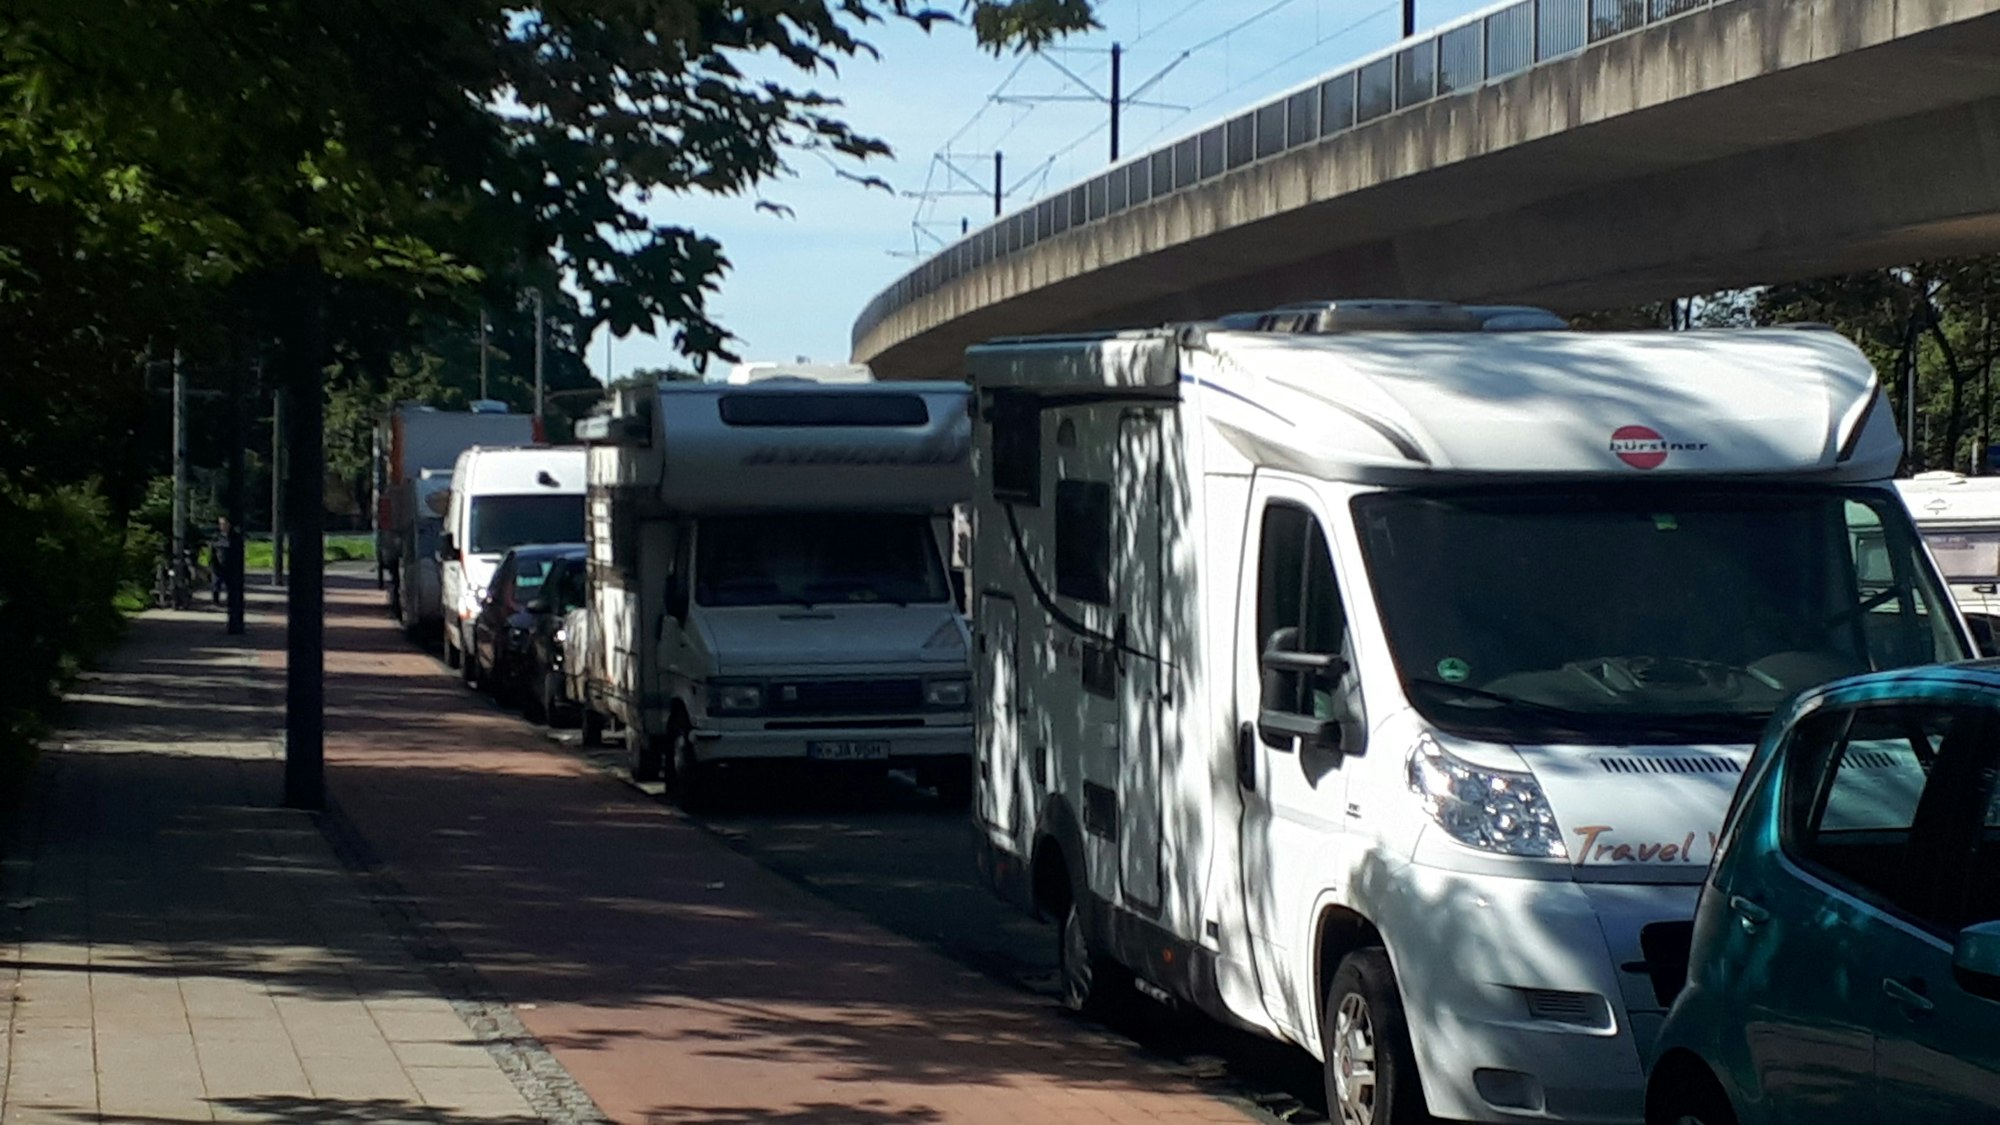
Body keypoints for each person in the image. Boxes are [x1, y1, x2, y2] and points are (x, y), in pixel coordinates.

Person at [209, 516, 240, 606]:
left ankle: (232, 601)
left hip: (231, 565)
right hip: (218, 564)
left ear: (229, 524)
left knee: (232, 585)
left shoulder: (235, 537)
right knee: (216, 584)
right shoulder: (216, 537)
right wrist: (212, 563)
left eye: (224, 523)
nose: (222, 526)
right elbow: (212, 551)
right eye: (220, 524)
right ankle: (215, 601)